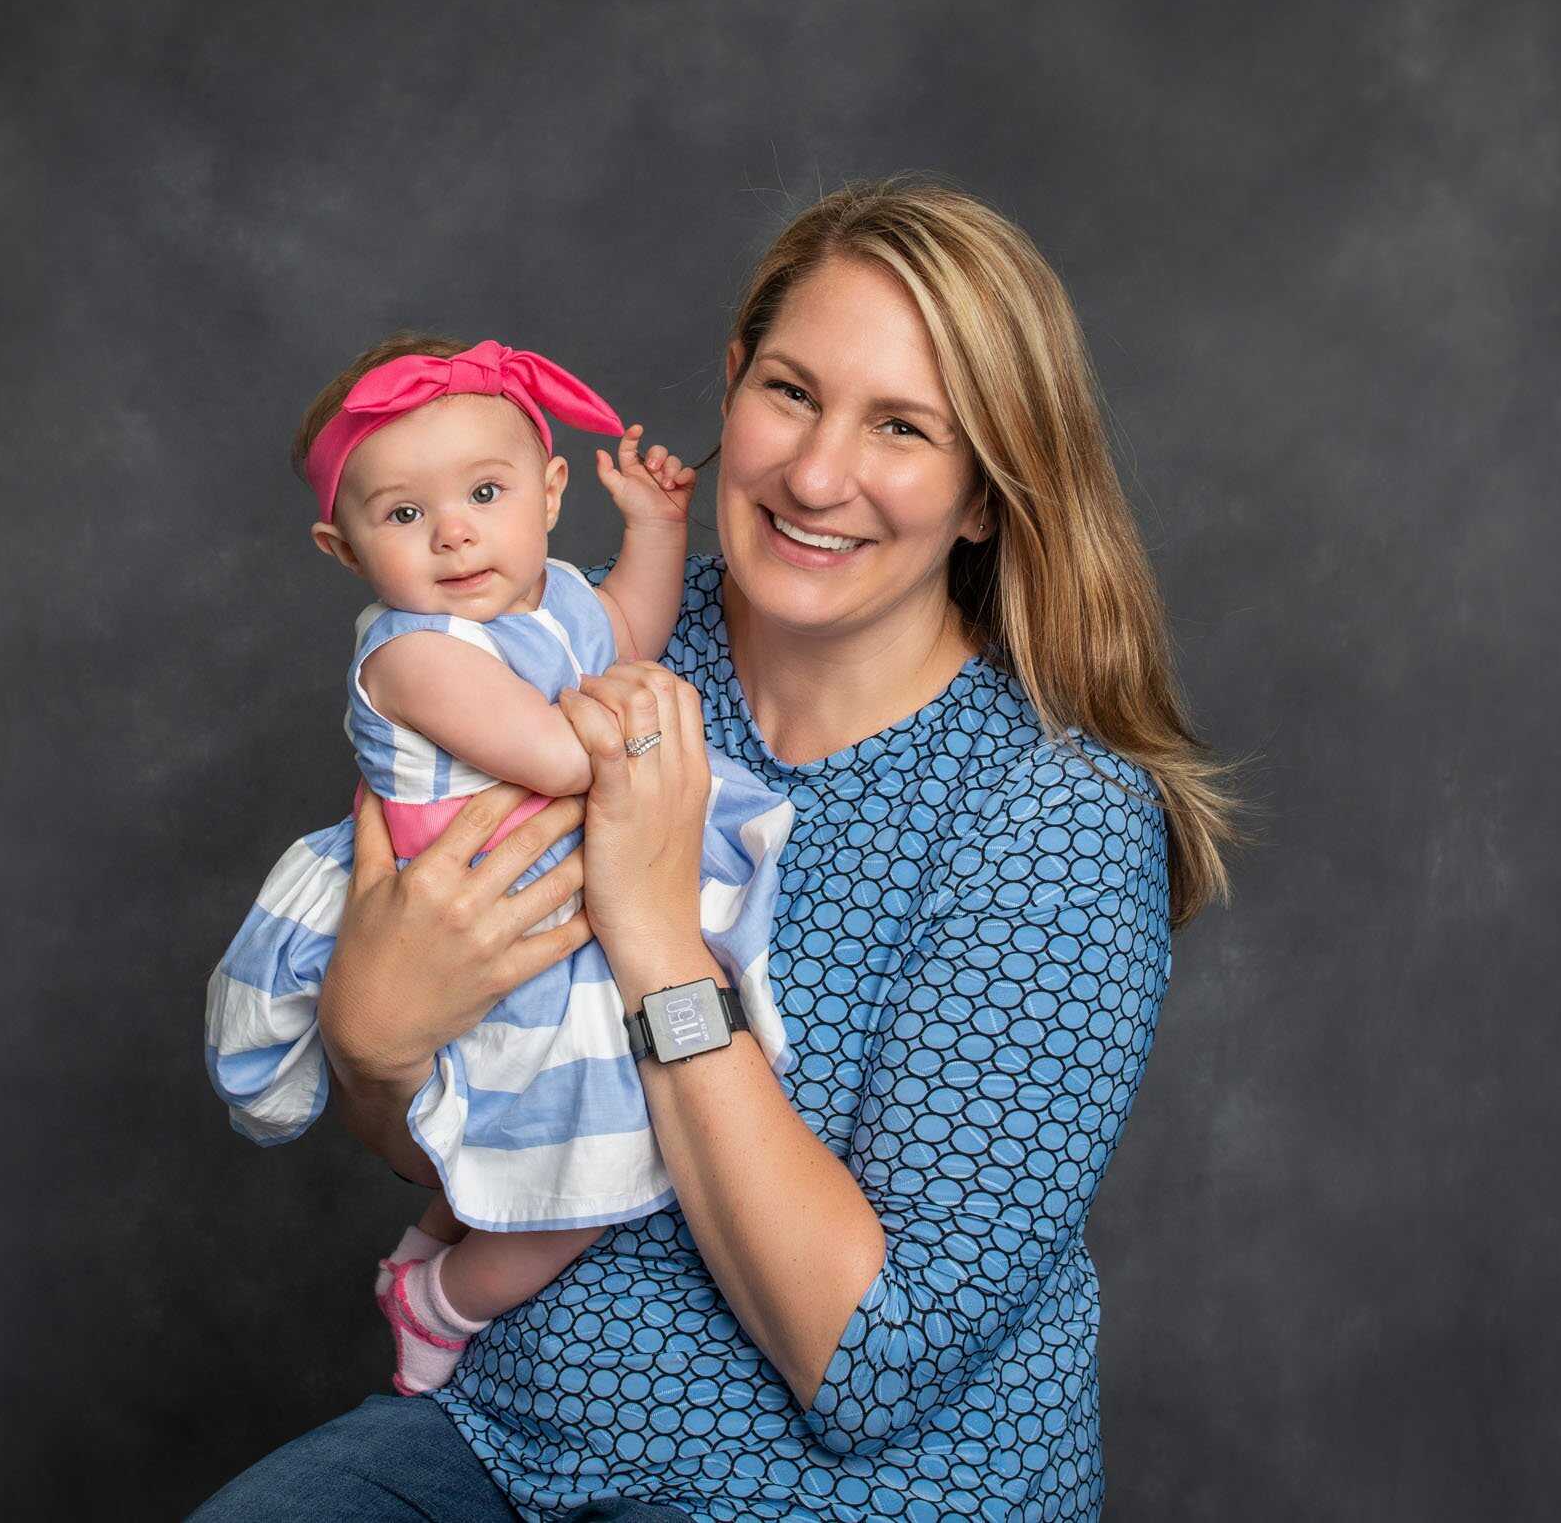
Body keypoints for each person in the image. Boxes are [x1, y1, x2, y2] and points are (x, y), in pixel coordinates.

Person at [194, 177, 1244, 1522]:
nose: (816, 474)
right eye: (793, 392)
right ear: (733, 381)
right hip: (514, 1439)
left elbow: (869, 1363)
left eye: (904, 428)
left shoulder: (1054, 821)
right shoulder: (591, 648)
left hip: (846, 1495)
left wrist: (652, 931)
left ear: (985, 495)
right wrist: (371, 1043)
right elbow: (473, 1129)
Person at [203, 337, 794, 1397]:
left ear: (551, 491)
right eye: (404, 515)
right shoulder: (414, 652)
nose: (455, 532)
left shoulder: (550, 598)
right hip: (496, 931)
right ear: (342, 549)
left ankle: (430, 1249)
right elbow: (567, 757)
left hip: (538, 907)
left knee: (523, 1143)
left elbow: (626, 633)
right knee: (601, 1169)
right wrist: (638, 722)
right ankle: (444, 1300)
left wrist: (655, 530)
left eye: (484, 491)